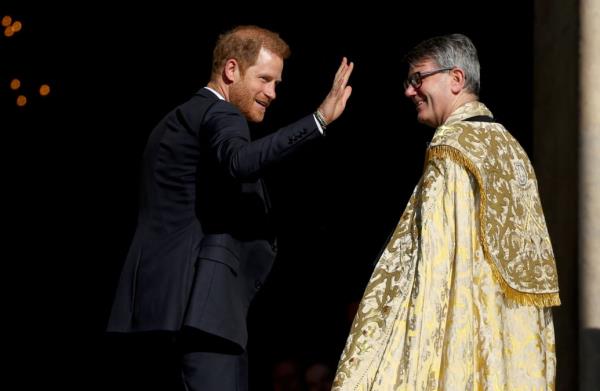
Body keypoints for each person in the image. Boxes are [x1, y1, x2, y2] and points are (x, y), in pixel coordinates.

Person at [107, 25, 353, 391]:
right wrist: (318, 120)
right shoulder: (221, 114)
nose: (272, 93)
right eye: (265, 79)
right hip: (204, 315)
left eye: (277, 84)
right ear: (231, 70)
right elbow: (240, 160)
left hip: (153, 314)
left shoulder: (169, 124)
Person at [333, 33, 559, 390]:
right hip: (507, 350)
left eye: (417, 78)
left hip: (460, 337)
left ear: (456, 79)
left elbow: (431, 262)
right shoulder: (511, 149)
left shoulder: (451, 146)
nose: (409, 91)